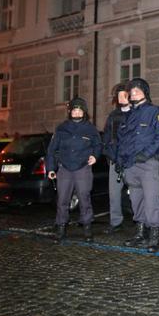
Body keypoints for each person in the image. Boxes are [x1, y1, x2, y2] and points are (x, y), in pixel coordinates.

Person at [117, 78, 159, 252]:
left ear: (145, 92)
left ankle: (154, 236)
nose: (134, 93)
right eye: (131, 92)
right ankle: (140, 233)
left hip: (148, 163)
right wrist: (120, 161)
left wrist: (145, 154)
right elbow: (122, 140)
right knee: (136, 199)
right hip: (130, 165)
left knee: (152, 199)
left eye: (137, 90)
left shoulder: (155, 112)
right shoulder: (128, 116)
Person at [46, 97, 102, 243]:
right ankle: (61, 227)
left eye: (79, 110)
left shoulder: (90, 129)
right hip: (64, 169)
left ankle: (87, 227)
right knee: (62, 199)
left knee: (84, 198)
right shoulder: (61, 128)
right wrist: (51, 168)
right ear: (70, 112)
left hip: (83, 168)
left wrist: (95, 156)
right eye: (74, 110)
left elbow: (98, 145)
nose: (77, 113)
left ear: (84, 112)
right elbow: (52, 150)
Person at [101, 82, 130, 234]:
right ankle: (115, 222)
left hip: (131, 160)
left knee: (138, 192)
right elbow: (106, 136)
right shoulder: (113, 116)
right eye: (119, 96)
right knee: (114, 193)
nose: (121, 98)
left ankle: (143, 222)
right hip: (115, 159)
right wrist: (109, 154)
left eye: (124, 95)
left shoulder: (136, 113)